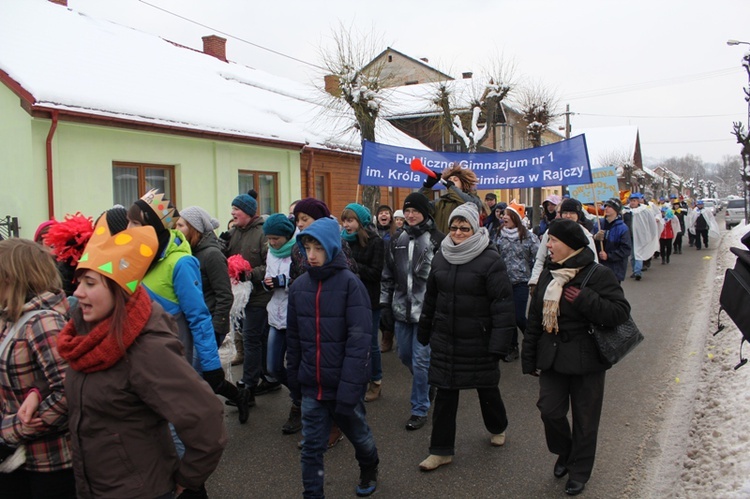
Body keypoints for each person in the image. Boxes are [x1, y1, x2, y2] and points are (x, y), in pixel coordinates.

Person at [51, 217, 226, 498]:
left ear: (119, 290)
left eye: (90, 283)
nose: (78, 292)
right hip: (94, 487)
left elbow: (205, 418)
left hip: (141, 490)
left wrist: (188, 479)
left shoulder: (146, 347)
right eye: (79, 281)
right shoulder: (82, 336)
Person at [522, 218, 630, 496]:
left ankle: (579, 470)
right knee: (550, 411)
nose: (548, 245)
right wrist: (529, 356)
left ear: (568, 245)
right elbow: (535, 318)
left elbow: (620, 312)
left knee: (585, 419)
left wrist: (585, 300)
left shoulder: (598, 274)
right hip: (553, 358)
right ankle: (565, 452)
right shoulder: (549, 272)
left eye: (553, 240)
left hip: (587, 360)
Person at [127, 191, 249, 426]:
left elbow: (215, 302)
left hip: (185, 346)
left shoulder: (186, 260)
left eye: (135, 223)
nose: (129, 229)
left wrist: (214, 341)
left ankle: (232, 402)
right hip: (150, 359)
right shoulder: (142, 259)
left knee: (201, 385)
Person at [416, 204, 515, 471]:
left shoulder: (490, 259)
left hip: (478, 340)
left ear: (475, 229)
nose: (458, 232)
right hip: (446, 339)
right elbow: (431, 299)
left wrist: (498, 345)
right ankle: (441, 450)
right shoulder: (442, 255)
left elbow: (503, 305)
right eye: (454, 227)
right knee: (445, 396)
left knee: (487, 389)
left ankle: (498, 426)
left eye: (464, 228)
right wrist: (424, 331)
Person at [286, 217, 380, 498]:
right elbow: (293, 340)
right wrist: (295, 380)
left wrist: (350, 388)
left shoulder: (351, 285)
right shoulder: (299, 287)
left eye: (318, 248)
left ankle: (369, 465)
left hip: (343, 385)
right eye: (307, 248)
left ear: (331, 248)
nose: (311, 255)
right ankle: (312, 494)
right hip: (312, 387)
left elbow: (360, 340)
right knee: (312, 448)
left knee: (359, 436)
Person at [0, 239, 75, 498]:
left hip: (47, 466)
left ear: (11, 278)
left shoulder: (42, 322)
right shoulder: (10, 317)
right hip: (17, 460)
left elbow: (67, 393)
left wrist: (11, 432)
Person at [175, 207, 249, 424]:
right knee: (209, 375)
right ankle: (239, 396)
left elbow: (225, 295)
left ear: (194, 228)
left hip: (208, 326)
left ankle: (200, 424)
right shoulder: (189, 251)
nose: (177, 229)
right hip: (193, 324)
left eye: (181, 225)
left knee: (197, 376)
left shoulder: (212, 254)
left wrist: (217, 327)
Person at [381, 192, 445, 431]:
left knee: (420, 361)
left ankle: (419, 408)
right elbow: (387, 275)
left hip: (427, 312)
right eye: (407, 211)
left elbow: (444, 278)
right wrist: (385, 304)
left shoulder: (437, 240)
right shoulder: (397, 239)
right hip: (400, 310)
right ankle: (428, 383)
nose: (410, 215)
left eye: (415, 211)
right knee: (405, 356)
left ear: (425, 212)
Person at [225, 193, 277, 402]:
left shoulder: (263, 234)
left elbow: (269, 266)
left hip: (259, 296)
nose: (232, 213)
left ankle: (248, 386)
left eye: (236, 209)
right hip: (240, 297)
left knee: (251, 339)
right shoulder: (233, 233)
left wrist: (249, 274)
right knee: (260, 339)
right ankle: (269, 377)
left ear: (247, 211)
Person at [261, 213, 301, 435]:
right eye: (269, 238)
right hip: (275, 317)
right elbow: (269, 275)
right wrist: (267, 283)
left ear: (286, 235)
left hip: (294, 317)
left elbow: (304, 278)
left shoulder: (300, 249)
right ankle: (301, 394)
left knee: (295, 367)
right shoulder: (271, 252)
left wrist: (284, 282)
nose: (272, 242)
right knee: (273, 367)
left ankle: (298, 404)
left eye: (276, 238)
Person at [341, 203, 385, 402]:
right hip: (347, 297)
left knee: (370, 343)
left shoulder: (375, 241)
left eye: (350, 220)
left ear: (361, 222)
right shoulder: (342, 241)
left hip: (368, 298)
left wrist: (351, 265)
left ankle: (375, 382)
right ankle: (355, 380)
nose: (346, 225)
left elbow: (376, 273)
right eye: (344, 220)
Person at [493, 201, 539, 362]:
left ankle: (534, 342)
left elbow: (538, 257)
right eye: (504, 214)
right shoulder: (498, 234)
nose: (504, 217)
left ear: (516, 218)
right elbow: (494, 255)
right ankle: (512, 347)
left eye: (508, 215)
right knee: (508, 317)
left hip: (521, 282)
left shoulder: (528, 237)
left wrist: (535, 277)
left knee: (518, 316)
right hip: (503, 283)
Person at [529, 198, 598, 292]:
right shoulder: (550, 232)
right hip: (551, 282)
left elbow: (594, 264)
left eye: (572, 213)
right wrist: (534, 281)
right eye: (565, 212)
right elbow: (540, 259)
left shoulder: (586, 236)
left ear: (578, 215)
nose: (568, 216)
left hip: (576, 286)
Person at [419, 164, 482, 234]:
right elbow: (419, 206)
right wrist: (427, 186)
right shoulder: (440, 202)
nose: (451, 182)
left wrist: (452, 187)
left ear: (463, 183)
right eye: (449, 180)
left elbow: (470, 203)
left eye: (455, 180)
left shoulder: (473, 199)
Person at [622, 193, 659, 281]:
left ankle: (638, 271)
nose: (632, 202)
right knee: (633, 254)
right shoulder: (625, 211)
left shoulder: (644, 210)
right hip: (629, 235)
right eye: (631, 201)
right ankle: (635, 270)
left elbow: (651, 222)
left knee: (638, 252)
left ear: (638, 201)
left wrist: (651, 233)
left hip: (640, 235)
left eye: (634, 201)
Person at [593, 198, 632, 283]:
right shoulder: (598, 224)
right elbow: (589, 241)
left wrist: (609, 256)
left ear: (616, 210)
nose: (606, 208)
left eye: (609, 206)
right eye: (605, 206)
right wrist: (595, 237)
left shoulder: (622, 228)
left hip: (615, 269)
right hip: (598, 267)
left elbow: (626, 249)